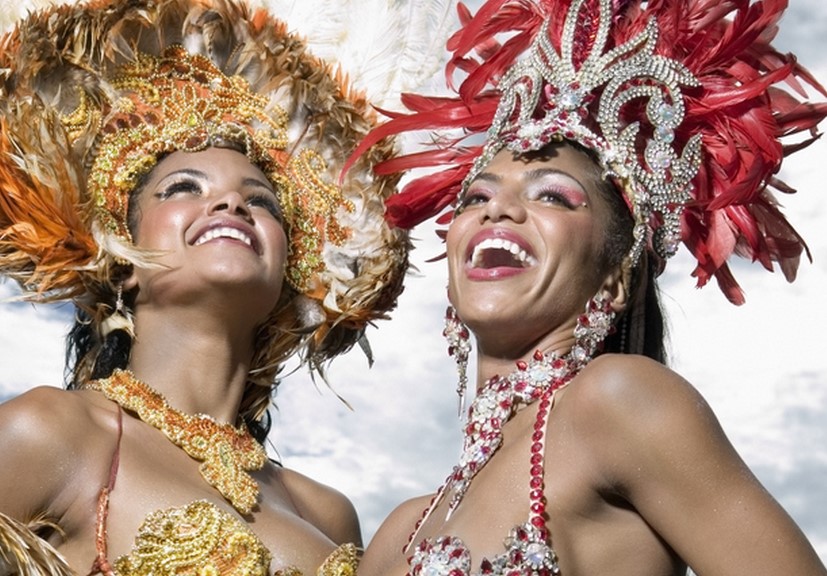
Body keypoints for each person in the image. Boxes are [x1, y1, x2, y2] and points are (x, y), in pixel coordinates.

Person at [344, 0, 827, 574]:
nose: (499, 208)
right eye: (477, 197)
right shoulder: (402, 531)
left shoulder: (615, 399)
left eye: (551, 195)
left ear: (617, 274)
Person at [0, 0, 408, 574]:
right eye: (182, 187)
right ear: (124, 263)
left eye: (262, 201)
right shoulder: (52, 433)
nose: (231, 201)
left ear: (289, 272)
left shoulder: (329, 514)